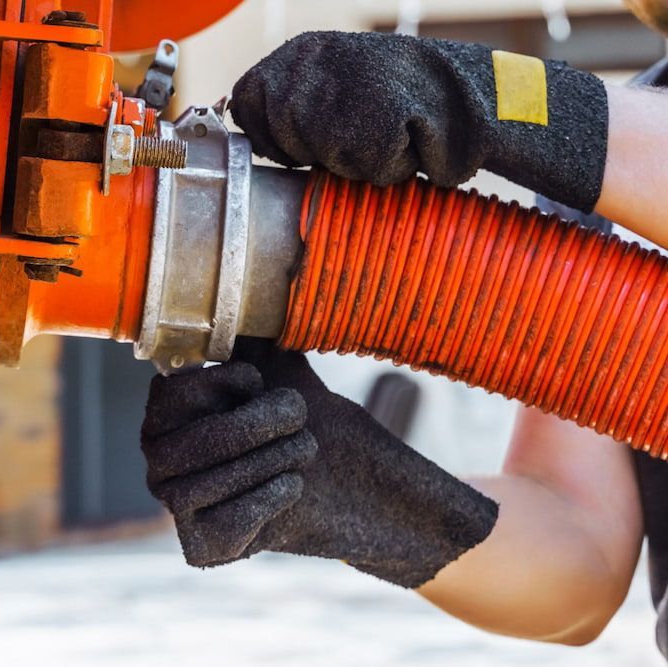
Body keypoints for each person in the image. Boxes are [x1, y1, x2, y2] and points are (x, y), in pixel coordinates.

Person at [139, 10, 668, 658]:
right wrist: (352, 487)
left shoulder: (607, 147)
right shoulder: (610, 189)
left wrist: (493, 97)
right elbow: (580, 556)